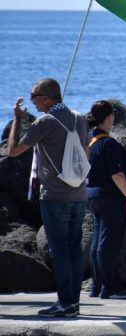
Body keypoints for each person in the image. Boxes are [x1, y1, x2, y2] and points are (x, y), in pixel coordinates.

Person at [7, 78, 88, 317]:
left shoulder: (45, 122)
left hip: (55, 195)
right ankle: (74, 302)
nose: (31, 101)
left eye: (34, 97)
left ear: (46, 98)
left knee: (59, 250)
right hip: (79, 193)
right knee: (74, 249)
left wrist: (17, 120)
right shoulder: (80, 118)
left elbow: (13, 151)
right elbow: (85, 152)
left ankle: (65, 302)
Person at [85, 100, 126, 300]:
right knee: (108, 243)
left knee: (97, 241)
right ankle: (110, 287)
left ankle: (97, 285)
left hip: (92, 194)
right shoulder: (108, 144)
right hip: (110, 197)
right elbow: (117, 174)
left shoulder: (90, 140)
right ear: (109, 117)